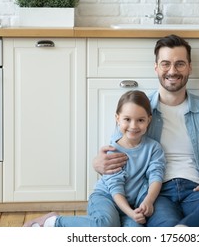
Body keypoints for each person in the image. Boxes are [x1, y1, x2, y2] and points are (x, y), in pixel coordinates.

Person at [94, 34, 199, 227]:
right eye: (165, 63)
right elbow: (117, 154)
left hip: (197, 189)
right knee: (165, 224)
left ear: (190, 67)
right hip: (156, 193)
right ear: (156, 67)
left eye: (180, 64)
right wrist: (99, 163)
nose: (172, 71)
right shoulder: (139, 111)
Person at [24, 90, 165, 227]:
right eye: (127, 119)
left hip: (132, 205)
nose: (133, 126)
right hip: (106, 198)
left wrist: (148, 201)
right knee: (105, 224)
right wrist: (130, 212)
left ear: (149, 120)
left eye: (140, 120)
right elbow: (115, 188)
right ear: (117, 119)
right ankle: (53, 222)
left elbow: (156, 176)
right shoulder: (113, 151)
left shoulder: (154, 148)